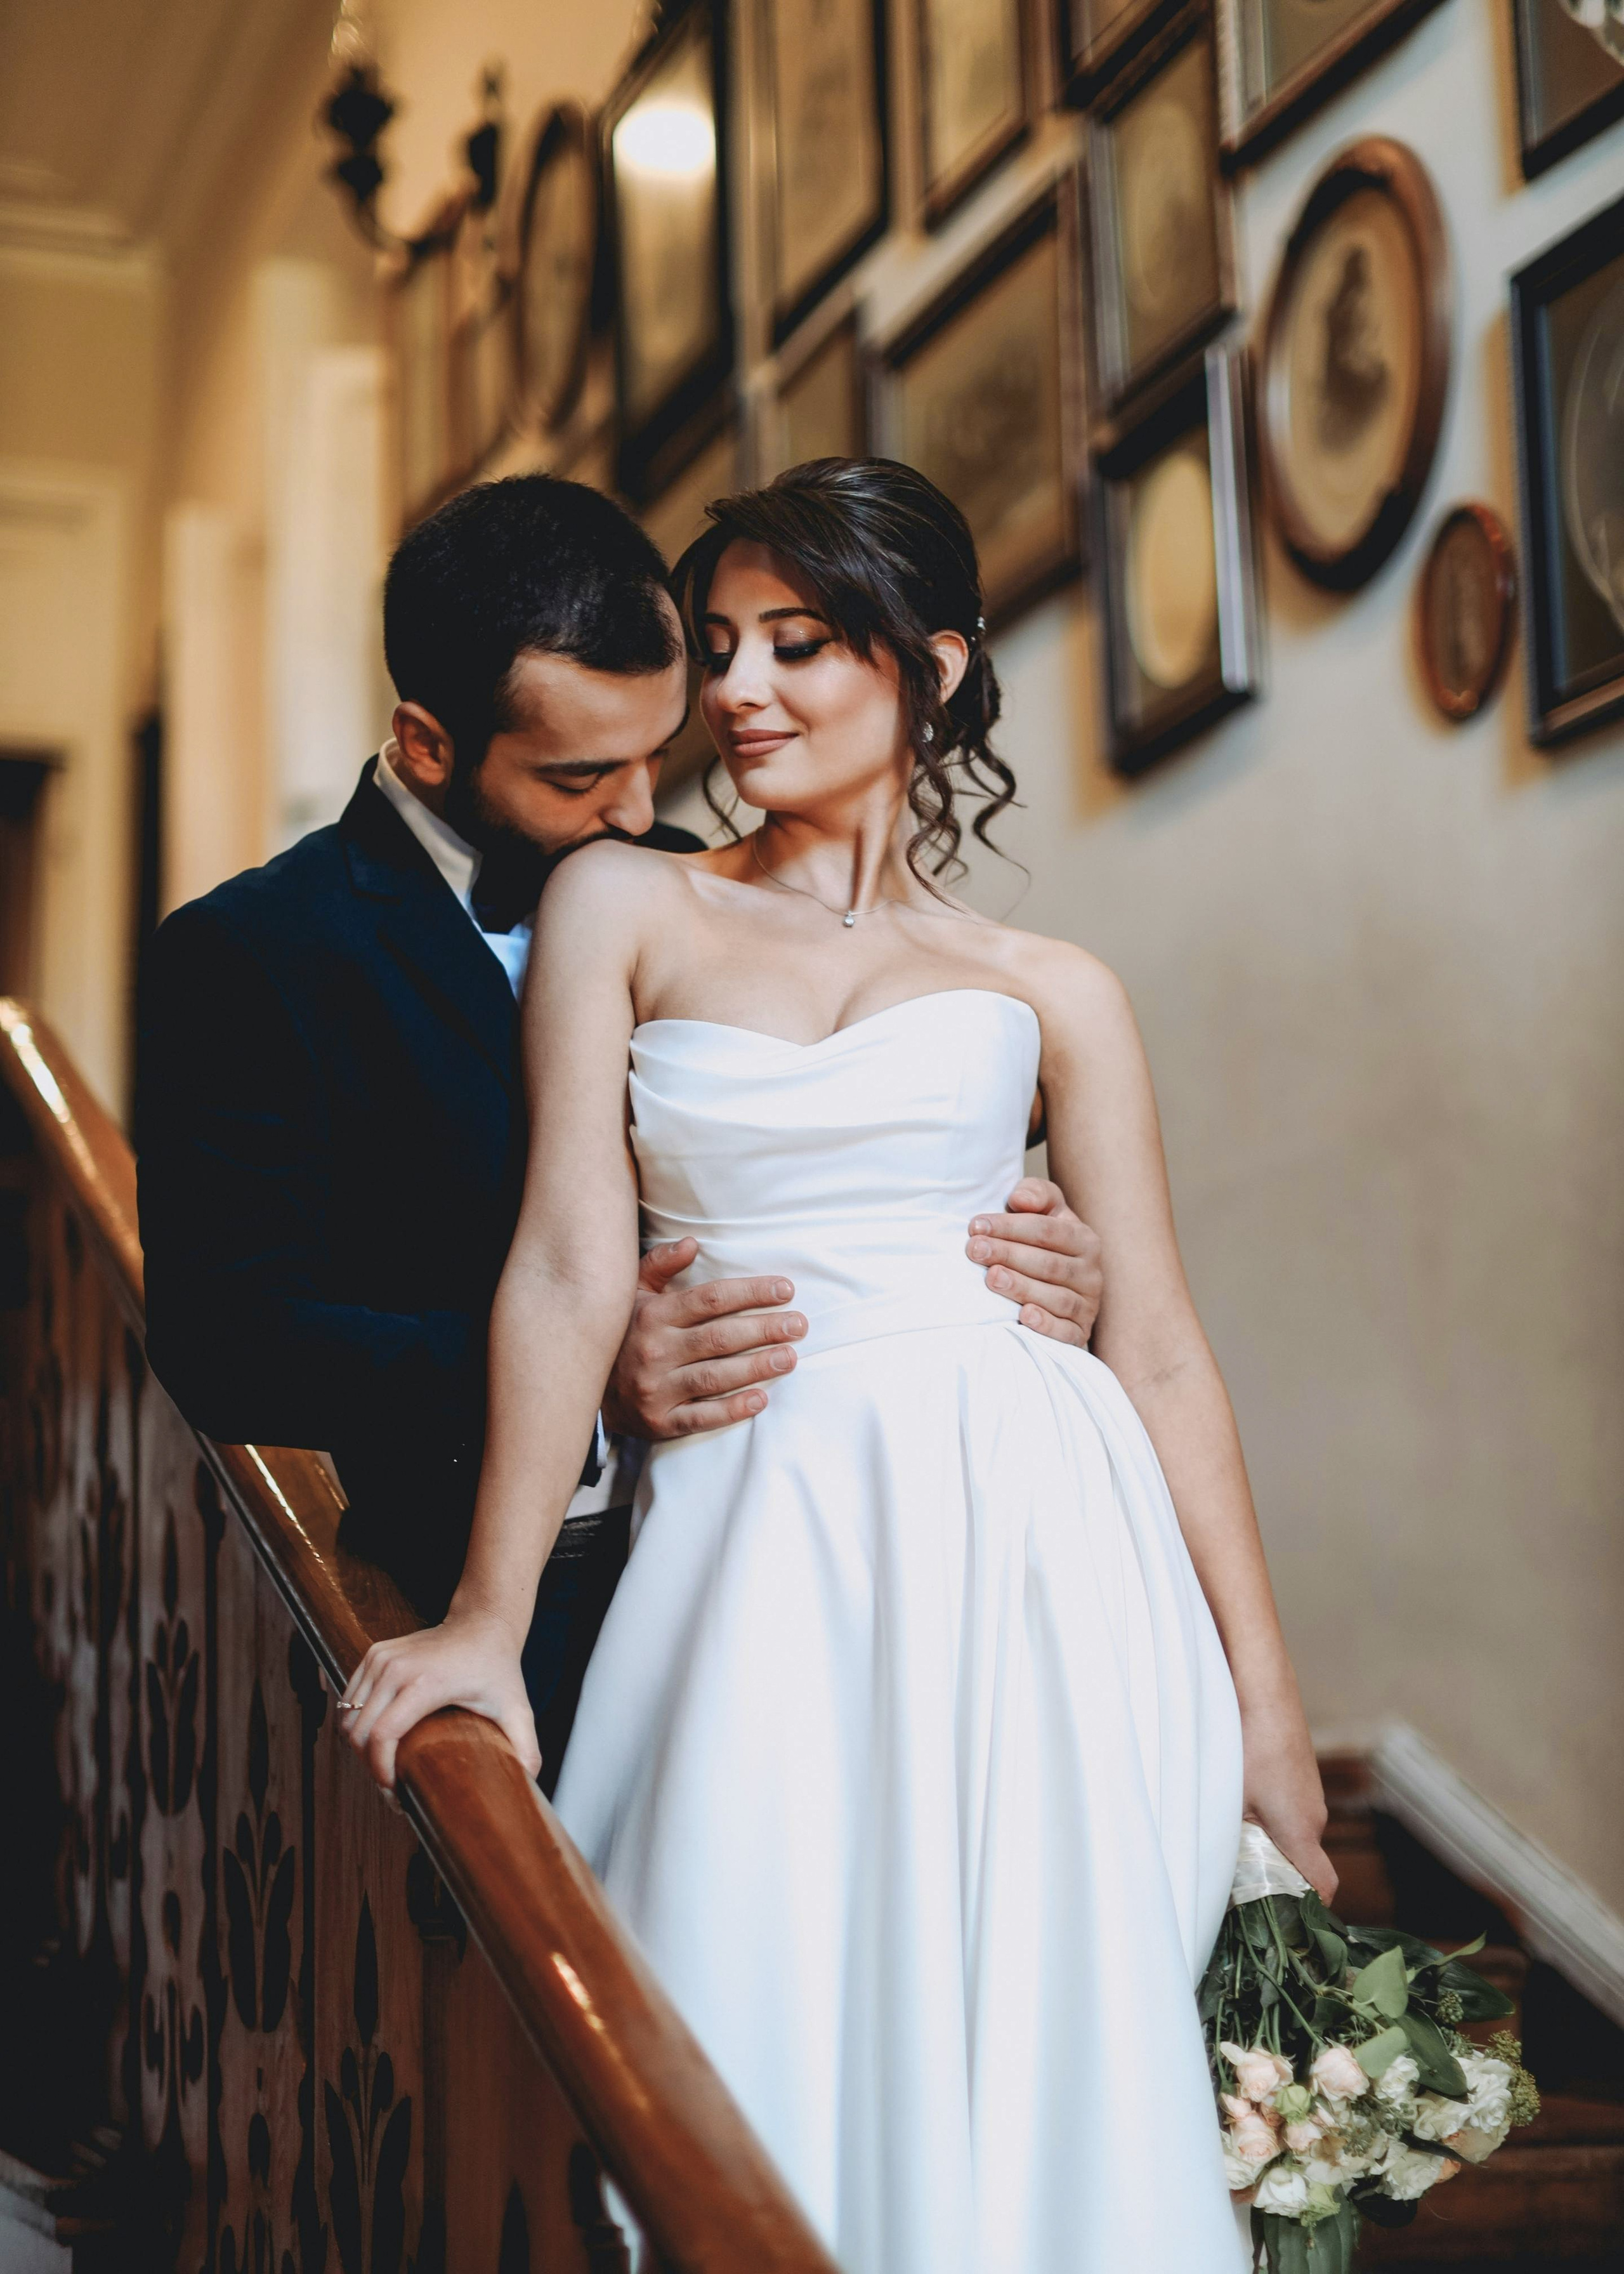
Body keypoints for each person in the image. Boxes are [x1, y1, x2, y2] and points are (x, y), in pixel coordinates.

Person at [341, 457, 1331, 2271]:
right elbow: (565, 1263)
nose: (737, 689)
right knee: (741, 1999)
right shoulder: (624, 907)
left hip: (1037, 1546)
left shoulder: (1055, 985)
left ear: (930, 669)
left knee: (1041, 2060)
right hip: (759, 1537)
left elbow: (1162, 1351)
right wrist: (487, 1615)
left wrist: (1268, 1716)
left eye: (797, 644)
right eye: (720, 643)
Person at [136, 473, 1102, 1783]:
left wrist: (1040, 1261)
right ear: (426, 743)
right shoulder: (254, 955)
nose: (646, 811)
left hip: (792, 1554)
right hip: (490, 1583)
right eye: (585, 774)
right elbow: (227, 1340)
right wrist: (584, 1370)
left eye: (662, 751)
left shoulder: (693, 886)